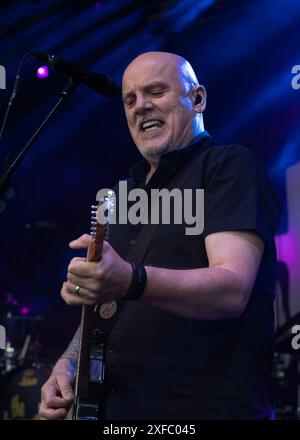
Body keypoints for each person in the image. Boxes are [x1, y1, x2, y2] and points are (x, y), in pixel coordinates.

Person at [39, 51, 281, 420]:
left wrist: (130, 279)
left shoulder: (228, 166)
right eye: (130, 99)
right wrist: (69, 364)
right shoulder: (123, 194)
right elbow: (107, 303)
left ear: (197, 99)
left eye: (155, 91)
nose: (141, 107)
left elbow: (233, 290)